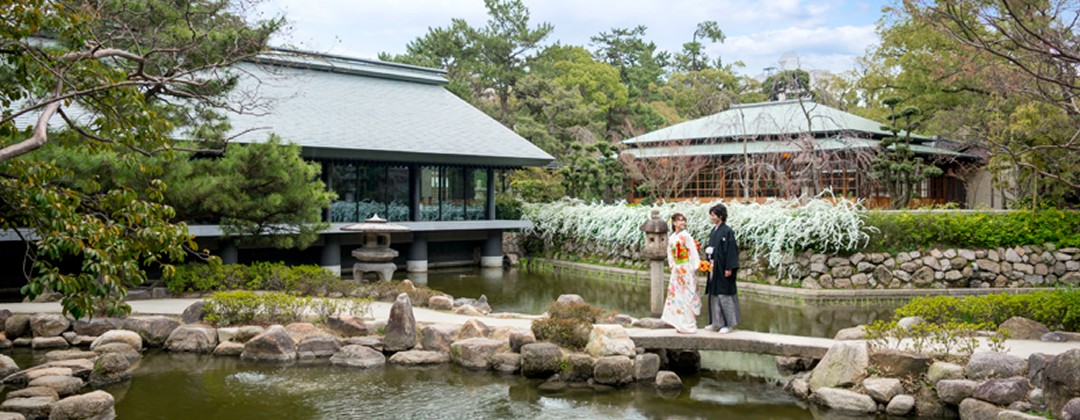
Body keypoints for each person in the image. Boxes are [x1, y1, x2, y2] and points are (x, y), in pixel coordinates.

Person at [661, 213, 702, 334]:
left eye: (684, 220)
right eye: (679, 221)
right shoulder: (672, 237)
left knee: (687, 296)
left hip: (686, 268)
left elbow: (693, 252)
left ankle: (689, 325)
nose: (682, 223)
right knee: (676, 297)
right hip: (677, 270)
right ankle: (679, 324)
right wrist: (672, 265)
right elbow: (670, 253)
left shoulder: (686, 236)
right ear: (674, 223)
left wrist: (695, 266)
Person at [704, 203, 740, 333]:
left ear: (720, 216)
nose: (712, 217)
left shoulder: (727, 231)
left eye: (713, 215)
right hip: (714, 266)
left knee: (724, 295)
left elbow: (731, 251)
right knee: (714, 294)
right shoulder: (714, 231)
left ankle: (728, 324)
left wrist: (729, 267)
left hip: (723, 267)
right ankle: (716, 322)